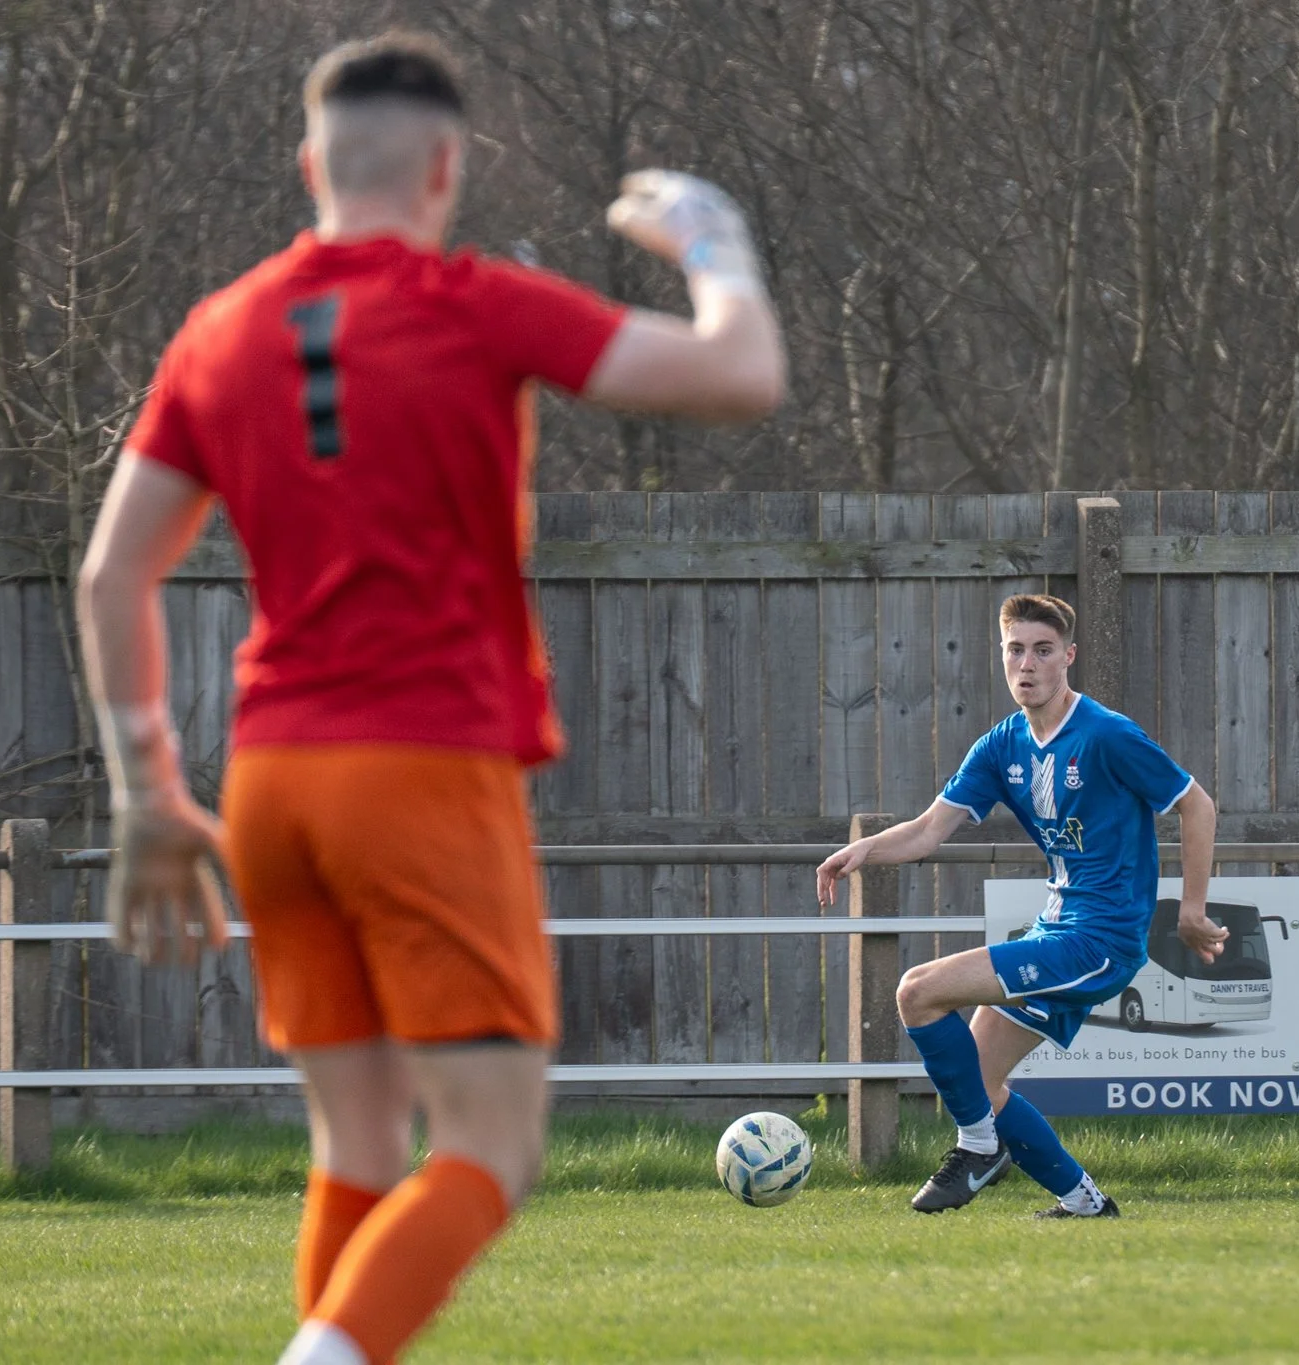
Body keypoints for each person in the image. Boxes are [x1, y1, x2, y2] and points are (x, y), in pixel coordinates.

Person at [75, 32, 783, 1365]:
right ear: (447, 168)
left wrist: (145, 789)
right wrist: (715, 243)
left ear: (310, 165)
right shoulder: (477, 304)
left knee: (358, 1140)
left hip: (270, 777)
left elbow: (115, 571)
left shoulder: (218, 331)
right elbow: (740, 375)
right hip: (421, 765)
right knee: (490, 1148)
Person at [816, 593, 1224, 1217]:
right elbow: (929, 830)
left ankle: (978, 1150)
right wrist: (863, 851)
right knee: (977, 1082)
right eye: (1015, 650)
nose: (1027, 664)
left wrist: (1191, 909)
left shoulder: (1108, 735)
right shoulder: (1001, 746)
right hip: (1056, 928)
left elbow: (1196, 804)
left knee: (916, 992)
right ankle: (1085, 1204)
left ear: (1068, 658)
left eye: (1042, 650)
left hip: (1102, 941)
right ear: (1001, 657)